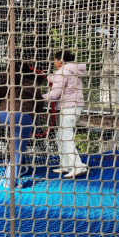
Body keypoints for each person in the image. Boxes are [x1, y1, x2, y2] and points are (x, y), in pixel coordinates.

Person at [0, 61, 45, 187]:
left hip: (4, 115)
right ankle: (10, 181)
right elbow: (39, 105)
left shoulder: (8, 82)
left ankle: (21, 168)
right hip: (21, 116)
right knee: (17, 149)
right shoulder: (31, 84)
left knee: (16, 143)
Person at [42, 50, 88, 179]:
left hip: (69, 107)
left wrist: (39, 97)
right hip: (75, 106)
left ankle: (78, 166)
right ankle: (66, 165)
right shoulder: (72, 70)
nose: (54, 63)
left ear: (60, 61)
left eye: (55, 60)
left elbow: (55, 93)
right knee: (60, 136)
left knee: (66, 136)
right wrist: (48, 76)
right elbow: (61, 79)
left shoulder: (62, 72)